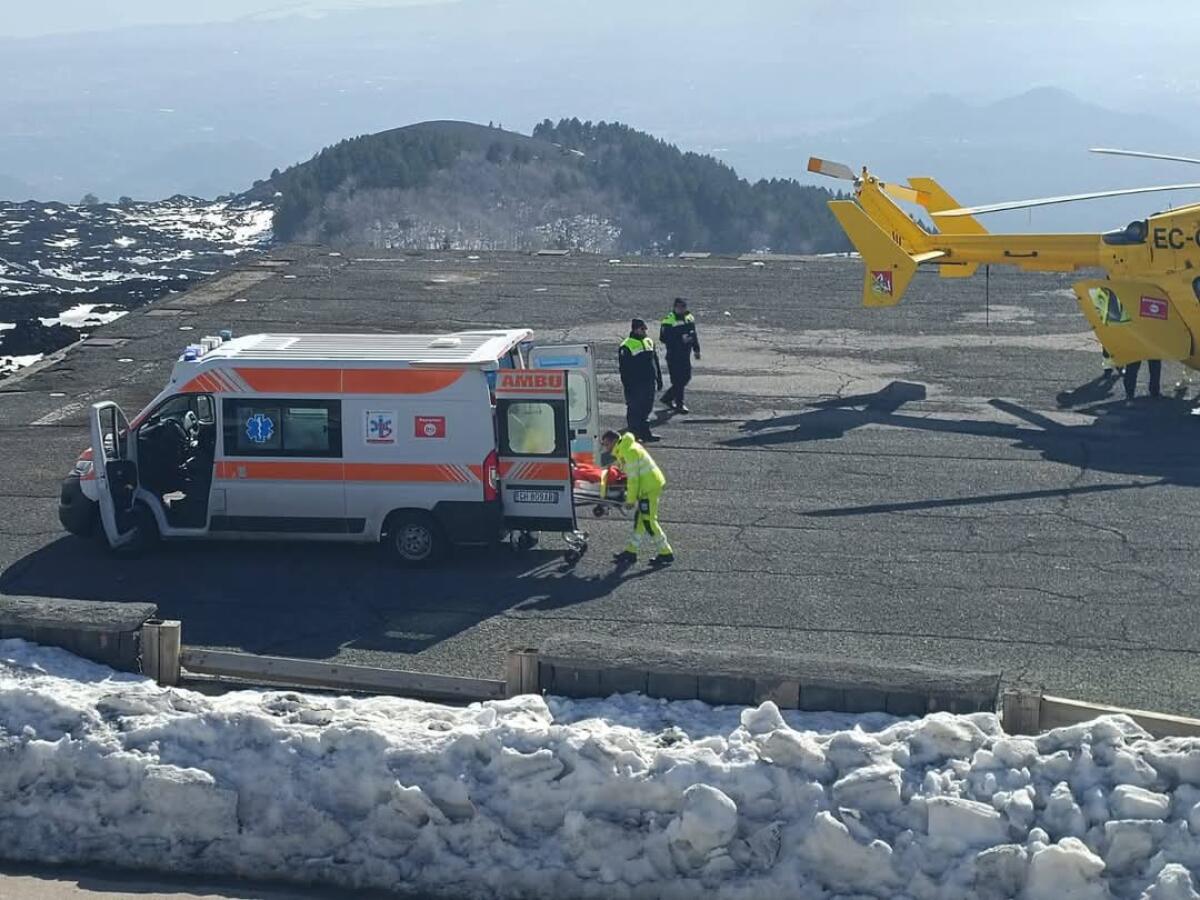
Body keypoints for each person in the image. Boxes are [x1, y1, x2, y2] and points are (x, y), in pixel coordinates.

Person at [601, 429, 673, 566]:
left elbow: (633, 479)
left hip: (648, 488)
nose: (605, 448)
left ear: (614, 441)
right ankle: (631, 551)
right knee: (640, 520)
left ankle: (666, 552)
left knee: (649, 521)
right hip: (648, 485)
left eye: (606, 444)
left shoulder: (629, 452)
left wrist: (630, 500)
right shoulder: (625, 448)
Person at [618, 318, 662, 442]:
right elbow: (624, 369)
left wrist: (658, 378)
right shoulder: (626, 345)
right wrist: (627, 386)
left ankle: (645, 433)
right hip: (635, 384)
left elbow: (655, 361)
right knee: (634, 410)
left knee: (646, 408)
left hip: (649, 382)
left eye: (645, 328)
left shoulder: (649, 342)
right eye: (642, 329)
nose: (645, 331)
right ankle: (634, 435)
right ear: (635, 329)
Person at [659, 297, 701, 413]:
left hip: (685, 355)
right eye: (679, 307)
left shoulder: (689, 318)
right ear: (674, 307)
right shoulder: (668, 321)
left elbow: (693, 334)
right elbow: (663, 338)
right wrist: (680, 339)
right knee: (678, 381)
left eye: (683, 307)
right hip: (674, 355)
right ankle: (679, 404)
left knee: (686, 378)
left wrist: (696, 349)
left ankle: (667, 398)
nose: (681, 309)